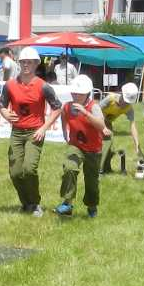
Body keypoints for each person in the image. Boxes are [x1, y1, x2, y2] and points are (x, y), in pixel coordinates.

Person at [0, 46, 61, 215]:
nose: (26, 65)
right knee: (15, 172)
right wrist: (5, 113)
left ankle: (35, 203)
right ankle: (25, 203)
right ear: (19, 63)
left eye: (30, 62)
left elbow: (57, 108)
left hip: (35, 132)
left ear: (36, 64)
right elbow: (2, 105)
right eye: (23, 62)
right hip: (17, 132)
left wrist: (44, 128)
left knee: (29, 169)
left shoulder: (43, 86)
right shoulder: (10, 85)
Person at [43, 74, 105, 217]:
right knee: (69, 168)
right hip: (76, 145)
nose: (76, 96)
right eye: (74, 93)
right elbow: (64, 115)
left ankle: (92, 206)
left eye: (79, 94)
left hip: (93, 149)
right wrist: (64, 130)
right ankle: (67, 203)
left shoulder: (94, 107)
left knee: (91, 181)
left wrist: (85, 113)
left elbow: (101, 125)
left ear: (87, 93)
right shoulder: (68, 106)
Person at [99, 81, 142, 174]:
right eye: (125, 101)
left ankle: (106, 169)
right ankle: (99, 170)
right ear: (122, 94)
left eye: (128, 102)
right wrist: (102, 127)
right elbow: (96, 111)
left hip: (107, 123)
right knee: (105, 143)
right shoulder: (110, 99)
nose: (125, 104)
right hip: (97, 120)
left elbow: (133, 126)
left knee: (110, 147)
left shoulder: (128, 108)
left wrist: (137, 146)